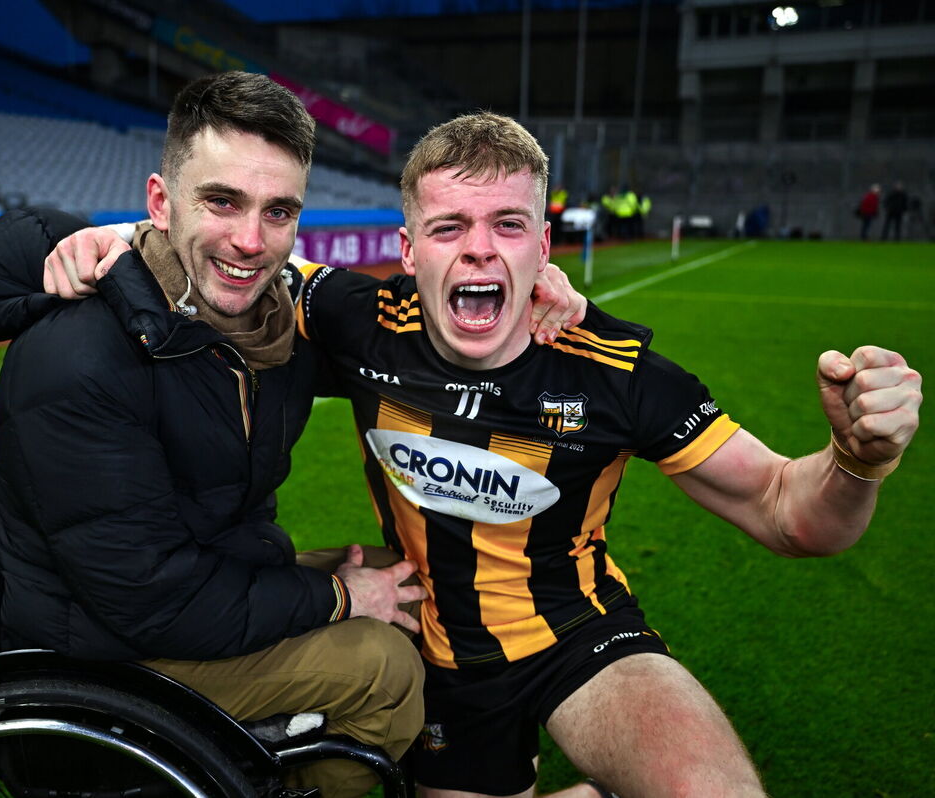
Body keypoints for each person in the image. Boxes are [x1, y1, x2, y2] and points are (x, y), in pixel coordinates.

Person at [48, 111, 922, 798]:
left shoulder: (618, 373)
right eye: (449, 226)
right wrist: (127, 238)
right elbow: (240, 255)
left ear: (544, 246)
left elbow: (788, 511)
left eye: (508, 224)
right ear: (407, 250)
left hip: (575, 637)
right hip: (429, 650)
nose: (477, 248)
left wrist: (854, 460)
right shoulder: (355, 317)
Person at [0, 73, 581, 798]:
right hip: (84, 655)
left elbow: (419, 345)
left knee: (412, 576)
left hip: (185, 588)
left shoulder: (273, 330)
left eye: (278, 211)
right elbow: (152, 600)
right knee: (382, 664)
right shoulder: (81, 357)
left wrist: (539, 297)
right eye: (222, 202)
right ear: (160, 202)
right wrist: (340, 601)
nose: (250, 242)